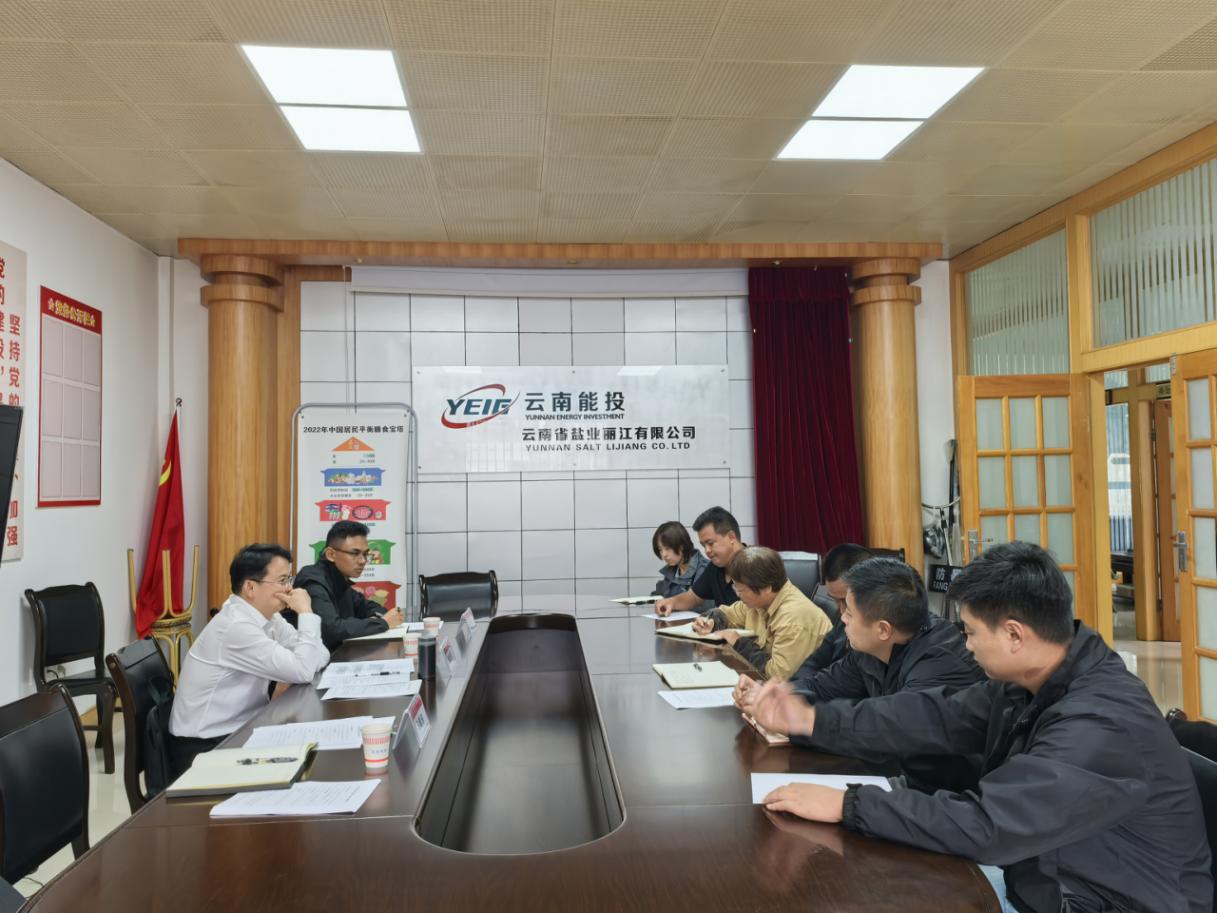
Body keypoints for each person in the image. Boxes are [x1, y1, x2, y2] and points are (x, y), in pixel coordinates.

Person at [750, 542, 1212, 913]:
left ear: (1014, 634)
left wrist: (848, 804)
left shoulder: (1100, 721)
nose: (966, 646)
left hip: (1101, 899)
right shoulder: (1035, 680)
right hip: (1045, 876)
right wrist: (812, 720)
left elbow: (989, 823)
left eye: (970, 631)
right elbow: (934, 716)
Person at [735, 557, 983, 716]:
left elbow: (885, 724)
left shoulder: (938, 663)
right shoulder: (870, 650)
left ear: (883, 629)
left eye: (850, 613)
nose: (842, 618)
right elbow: (821, 686)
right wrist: (769, 693)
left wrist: (806, 723)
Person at [169, 543, 330, 757]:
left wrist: (305, 657)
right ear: (250, 588)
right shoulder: (236, 627)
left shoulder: (269, 617)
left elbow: (321, 654)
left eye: (289, 580)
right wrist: (306, 612)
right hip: (206, 745)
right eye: (282, 581)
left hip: (242, 729)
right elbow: (303, 670)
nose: (289, 589)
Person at [692, 546, 832, 680]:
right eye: (736, 588)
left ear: (766, 588)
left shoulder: (793, 618)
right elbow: (728, 613)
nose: (738, 595)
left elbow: (778, 677)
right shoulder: (760, 600)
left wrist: (739, 643)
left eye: (741, 590)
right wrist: (710, 620)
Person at [294, 520, 403, 650]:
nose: (362, 561)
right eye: (354, 553)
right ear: (331, 554)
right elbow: (332, 629)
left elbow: (369, 607)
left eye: (365, 554)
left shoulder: (339, 579)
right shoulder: (313, 581)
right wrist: (382, 623)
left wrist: (380, 619)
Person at [800, 543, 876, 677]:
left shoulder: (882, 637)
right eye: (835, 600)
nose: (842, 612)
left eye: (845, 600)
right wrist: (792, 688)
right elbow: (813, 662)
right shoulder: (843, 621)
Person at [654, 506, 744, 617]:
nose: (707, 551)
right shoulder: (715, 567)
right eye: (703, 545)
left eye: (710, 543)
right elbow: (694, 596)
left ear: (731, 537)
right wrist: (671, 602)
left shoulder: (755, 565)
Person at [650, 520, 709, 597]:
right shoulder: (672, 571)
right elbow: (659, 594)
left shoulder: (704, 569)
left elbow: (698, 601)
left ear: (682, 545)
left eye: (668, 548)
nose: (664, 554)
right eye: (660, 550)